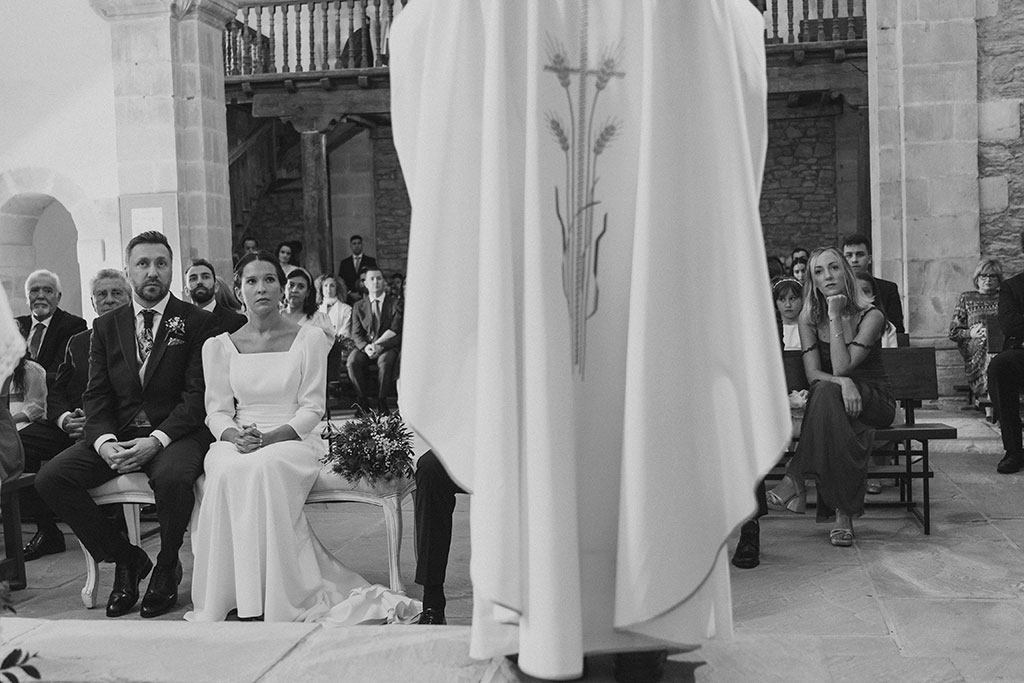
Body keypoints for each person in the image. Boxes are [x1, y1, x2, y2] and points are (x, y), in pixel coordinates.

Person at [185, 252, 420, 623]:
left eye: (269, 280)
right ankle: (237, 592)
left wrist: (270, 438)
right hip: (238, 437)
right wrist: (233, 436)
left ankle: (283, 592)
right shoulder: (219, 346)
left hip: (292, 438)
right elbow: (215, 410)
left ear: (282, 287)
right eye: (251, 281)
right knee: (225, 469)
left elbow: (311, 408)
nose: (261, 288)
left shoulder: (309, 338)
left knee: (264, 467)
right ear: (238, 288)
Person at [36, 231, 216, 618]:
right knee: (51, 478)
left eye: (161, 263)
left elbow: (197, 395)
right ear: (129, 270)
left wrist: (157, 439)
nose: (152, 272)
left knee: (171, 478)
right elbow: (96, 394)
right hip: (116, 433)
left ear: (171, 269)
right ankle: (126, 559)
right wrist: (103, 442)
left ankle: (167, 565)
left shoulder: (197, 322)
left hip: (175, 433)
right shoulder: (105, 327)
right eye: (143, 264)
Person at [766, 247, 895, 547]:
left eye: (834, 268)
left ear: (846, 272)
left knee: (827, 395)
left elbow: (841, 365)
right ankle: (843, 516)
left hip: (875, 402)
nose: (828, 276)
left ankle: (795, 478)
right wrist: (842, 384)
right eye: (819, 272)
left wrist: (835, 315)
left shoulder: (871, 315)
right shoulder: (808, 317)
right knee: (829, 401)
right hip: (836, 402)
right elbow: (815, 376)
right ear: (812, 280)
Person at [19, 269, 131, 562]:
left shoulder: (140, 341)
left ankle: (113, 527)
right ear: (93, 303)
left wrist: (97, 424)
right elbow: (56, 390)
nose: (108, 301)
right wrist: (64, 417)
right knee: (19, 443)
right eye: (101, 295)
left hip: (114, 428)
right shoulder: (79, 341)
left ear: (130, 300)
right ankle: (47, 529)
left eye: (116, 294)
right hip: (72, 425)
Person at [987, 234, 1024, 473]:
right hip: (1021, 353)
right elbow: (1010, 324)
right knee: (1000, 366)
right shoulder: (1012, 287)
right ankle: (1014, 451)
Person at [16, 270, 87, 387]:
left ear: (58, 297)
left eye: (48, 291)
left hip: (53, 396)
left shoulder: (73, 326)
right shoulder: (15, 326)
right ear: (27, 296)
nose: (40, 296)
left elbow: (60, 372)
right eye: (34, 291)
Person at [347, 267, 402, 412]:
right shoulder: (359, 306)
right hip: (366, 347)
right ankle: (363, 402)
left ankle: (381, 401)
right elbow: (356, 333)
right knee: (352, 362)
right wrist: (366, 347)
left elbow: (397, 331)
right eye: (372, 279)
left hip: (387, 347)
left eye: (379, 278)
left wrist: (381, 346)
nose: (376, 282)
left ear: (384, 282)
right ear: (365, 283)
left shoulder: (395, 303)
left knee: (385, 361)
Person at [950, 259, 1002, 413]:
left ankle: (996, 397)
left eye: (993, 276)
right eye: (984, 276)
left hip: (1002, 343)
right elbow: (953, 332)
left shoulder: (1005, 297)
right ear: (977, 278)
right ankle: (990, 397)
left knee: (995, 343)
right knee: (987, 342)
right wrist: (970, 333)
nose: (988, 280)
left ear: (999, 279)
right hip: (974, 345)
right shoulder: (967, 298)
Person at [842, 233, 905, 334]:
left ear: (869, 258)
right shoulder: (837, 288)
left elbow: (897, 329)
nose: (854, 260)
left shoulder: (888, 289)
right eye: (849, 255)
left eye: (860, 254)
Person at [185, 259, 247, 334]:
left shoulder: (236, 321)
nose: (199, 282)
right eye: (193, 278)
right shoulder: (181, 321)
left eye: (205, 277)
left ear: (216, 286)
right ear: (186, 291)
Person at [282, 267, 335, 341]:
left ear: (308, 292)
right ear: (284, 289)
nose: (294, 290)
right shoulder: (275, 317)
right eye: (291, 285)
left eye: (301, 287)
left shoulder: (319, 320)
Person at [855, 272, 899, 348]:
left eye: (866, 291)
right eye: (855, 291)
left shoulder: (887, 327)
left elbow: (891, 355)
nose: (861, 296)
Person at [338, 235, 378, 303]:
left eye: (359, 243)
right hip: (349, 299)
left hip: (367, 297)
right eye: (354, 244)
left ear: (362, 245)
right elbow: (341, 281)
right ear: (350, 246)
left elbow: (374, 277)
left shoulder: (370, 261)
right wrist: (349, 293)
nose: (357, 246)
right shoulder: (344, 263)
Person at [774, 276, 804, 351]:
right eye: (782, 299)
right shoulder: (772, 330)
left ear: (802, 300)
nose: (788, 305)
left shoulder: (811, 328)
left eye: (792, 299)